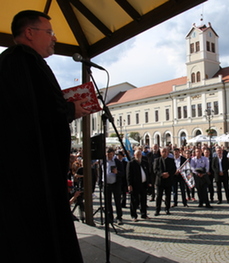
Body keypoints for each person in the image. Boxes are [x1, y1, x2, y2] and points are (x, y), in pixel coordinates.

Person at [0, 10, 90, 262]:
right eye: (49, 32)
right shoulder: (24, 60)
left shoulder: (14, 61)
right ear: (29, 32)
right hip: (32, 172)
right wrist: (71, 108)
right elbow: (40, 111)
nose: (54, 38)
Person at [126, 149, 152, 221]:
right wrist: (129, 184)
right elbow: (128, 175)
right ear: (134, 155)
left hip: (143, 184)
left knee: (143, 200)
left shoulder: (144, 163)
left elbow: (147, 173)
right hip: (135, 184)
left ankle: (144, 214)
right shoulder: (131, 163)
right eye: (137, 155)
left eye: (140, 154)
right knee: (134, 201)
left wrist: (149, 182)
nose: (138, 156)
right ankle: (134, 216)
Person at [103, 148, 124, 225]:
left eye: (111, 154)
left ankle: (119, 217)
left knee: (117, 201)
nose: (109, 156)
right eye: (108, 154)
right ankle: (109, 218)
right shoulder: (103, 161)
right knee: (108, 202)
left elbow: (122, 173)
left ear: (113, 154)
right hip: (106, 184)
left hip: (115, 184)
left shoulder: (117, 162)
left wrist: (117, 172)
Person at [154, 147, 176, 216]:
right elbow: (155, 170)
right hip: (160, 181)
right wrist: (161, 174)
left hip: (168, 180)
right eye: (163, 151)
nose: (164, 153)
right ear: (160, 153)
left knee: (168, 196)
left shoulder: (171, 160)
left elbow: (174, 169)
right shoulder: (157, 160)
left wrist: (168, 174)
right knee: (159, 196)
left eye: (166, 151)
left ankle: (167, 208)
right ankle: (157, 209)